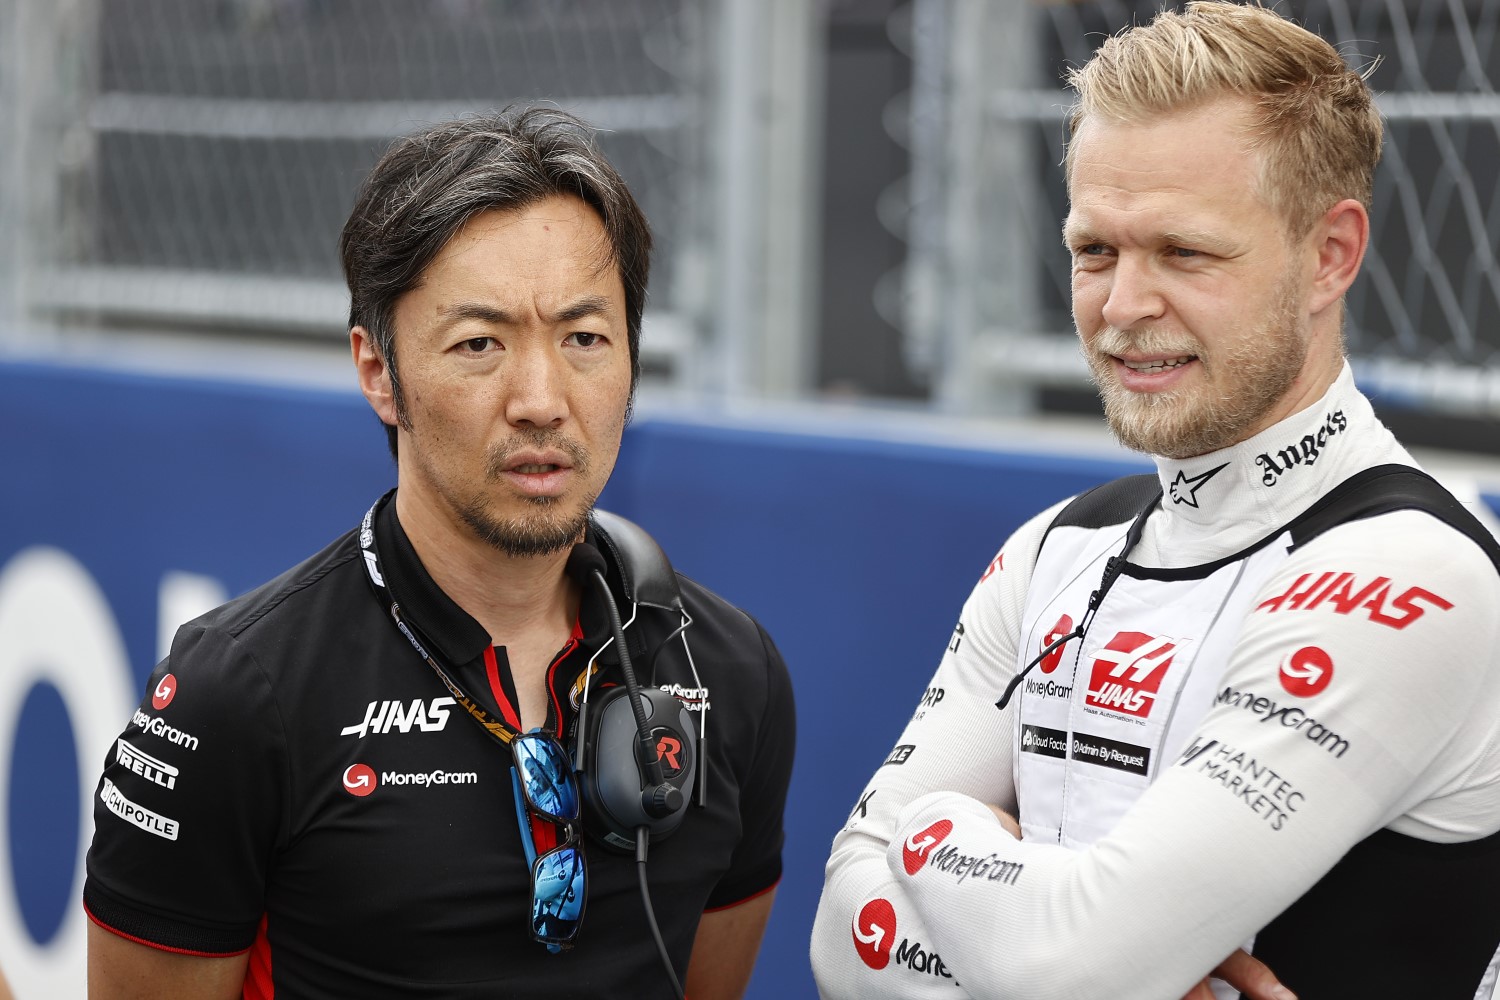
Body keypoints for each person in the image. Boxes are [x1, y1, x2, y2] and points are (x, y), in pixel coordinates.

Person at [811, 4, 1500, 998]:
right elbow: (843, 938)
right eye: (1095, 251)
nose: (1124, 307)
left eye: (1185, 253)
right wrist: (1026, 909)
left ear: (1330, 255)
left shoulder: (1411, 572)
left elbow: (1071, 967)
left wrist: (929, 836)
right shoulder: (1055, 548)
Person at [84, 106, 796, 999]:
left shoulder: (729, 673)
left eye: (585, 338)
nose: (541, 399)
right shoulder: (239, 695)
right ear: (379, 373)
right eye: (479, 344)